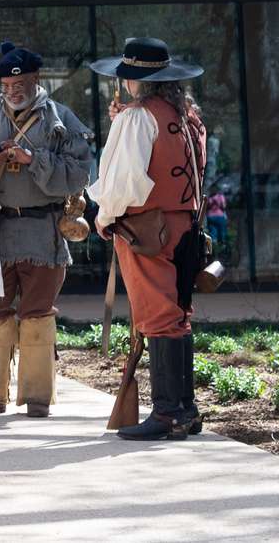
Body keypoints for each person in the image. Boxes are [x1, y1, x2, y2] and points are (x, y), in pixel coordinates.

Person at [0, 42, 93, 419]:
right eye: (7, 86)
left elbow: (79, 173)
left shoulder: (61, 119)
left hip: (42, 231)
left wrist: (34, 160)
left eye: (20, 83)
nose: (14, 91)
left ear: (35, 79)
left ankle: (38, 397)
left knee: (38, 312)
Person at [86, 36, 210, 441]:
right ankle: (185, 411)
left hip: (147, 229)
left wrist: (104, 217)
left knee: (159, 316)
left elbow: (123, 182)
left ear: (136, 81)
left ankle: (168, 413)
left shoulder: (137, 117)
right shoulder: (188, 116)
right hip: (185, 226)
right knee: (177, 314)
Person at [205, 184, 230, 253]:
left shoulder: (209, 197)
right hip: (220, 216)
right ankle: (222, 248)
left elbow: (206, 207)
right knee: (222, 232)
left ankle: (213, 249)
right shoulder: (220, 196)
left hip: (210, 217)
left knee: (213, 232)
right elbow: (224, 206)